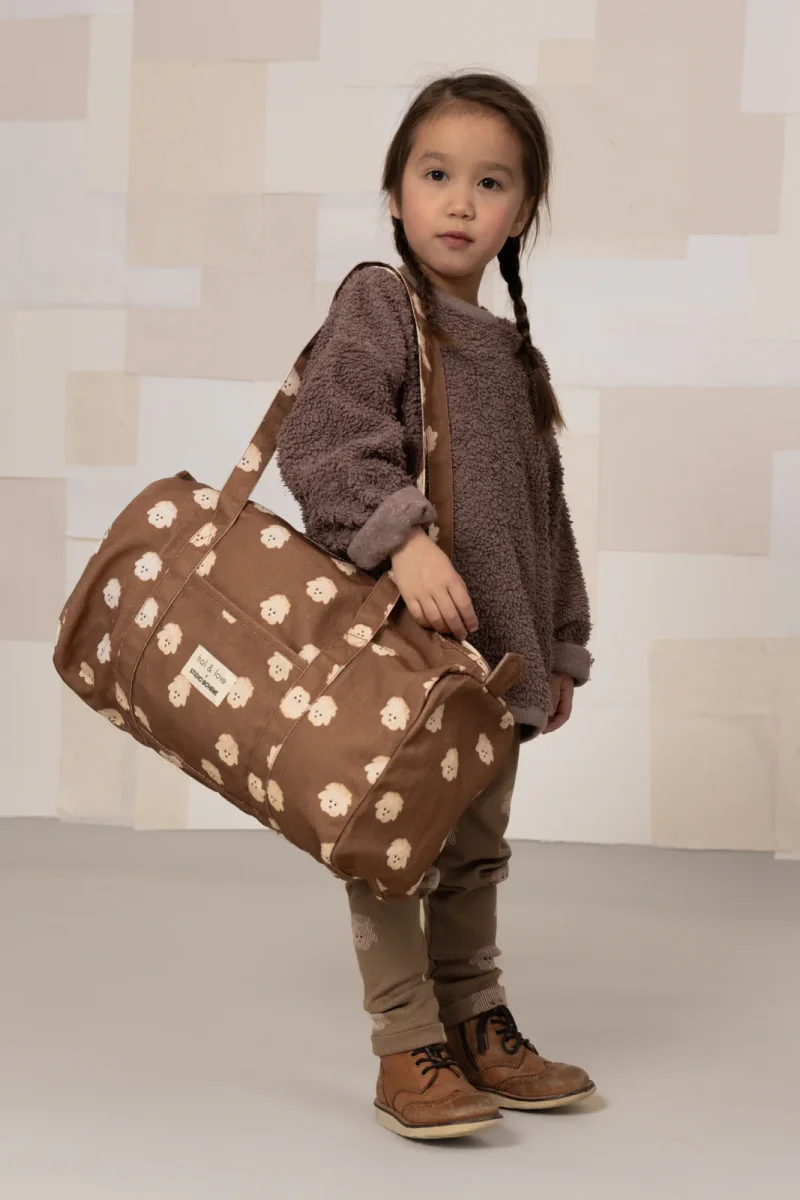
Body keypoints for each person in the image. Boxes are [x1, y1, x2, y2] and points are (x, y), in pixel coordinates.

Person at [277, 71, 595, 1141]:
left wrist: (559, 644)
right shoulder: (380, 304)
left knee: (476, 849)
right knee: (393, 843)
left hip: (495, 662)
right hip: (403, 654)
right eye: (436, 174)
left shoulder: (511, 353)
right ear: (395, 192)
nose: (460, 202)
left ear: (522, 212)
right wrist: (400, 540)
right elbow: (324, 439)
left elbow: (545, 516)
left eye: (490, 183)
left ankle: (474, 1022)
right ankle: (403, 1044)